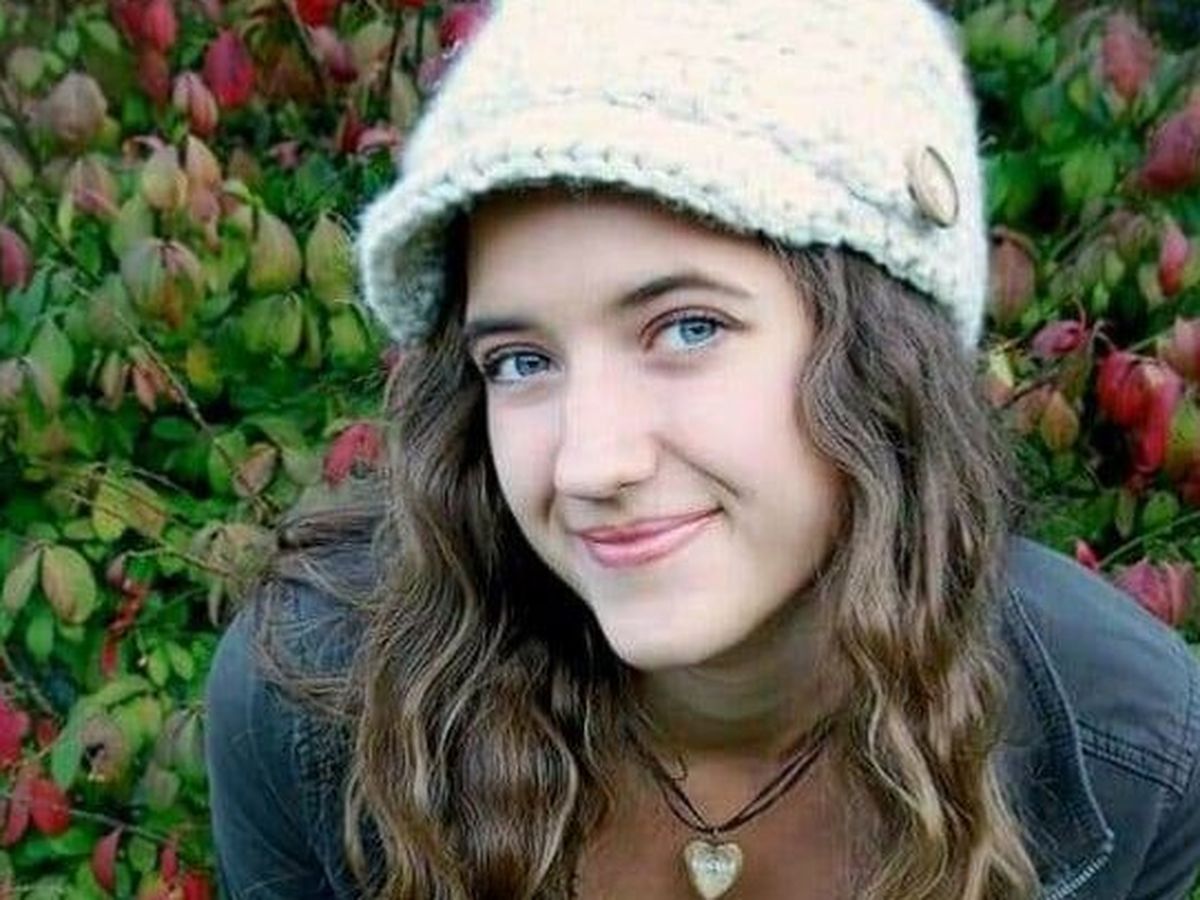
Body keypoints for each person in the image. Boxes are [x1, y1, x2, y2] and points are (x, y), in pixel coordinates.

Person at [203, 0, 1200, 898]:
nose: (590, 465)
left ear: (889, 359)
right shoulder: (318, 703)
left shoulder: (1128, 750)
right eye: (520, 361)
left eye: (688, 329)